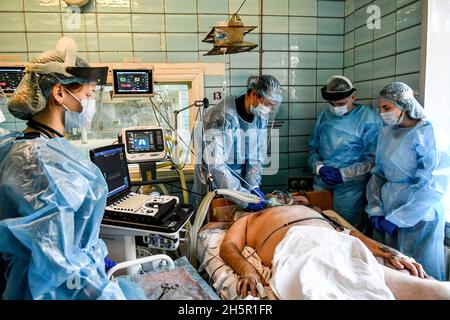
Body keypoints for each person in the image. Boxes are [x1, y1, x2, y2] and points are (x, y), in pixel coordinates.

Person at [0, 37, 125, 299]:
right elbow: (57, 262)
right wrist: (105, 293)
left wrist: (96, 259)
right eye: (87, 95)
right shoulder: (40, 163)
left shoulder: (42, 149)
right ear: (59, 93)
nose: (90, 105)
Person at [219, 204, 450, 299]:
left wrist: (387, 252)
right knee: (321, 283)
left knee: (428, 289)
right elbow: (228, 247)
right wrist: (247, 270)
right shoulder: (249, 218)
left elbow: (351, 235)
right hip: (298, 246)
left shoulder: (312, 209)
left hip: (338, 242)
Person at [366, 82, 450, 281]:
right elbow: (378, 173)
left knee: (422, 272)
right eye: (380, 108)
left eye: (387, 108)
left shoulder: (428, 133)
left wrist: (400, 217)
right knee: (394, 270)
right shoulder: (388, 131)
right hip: (388, 209)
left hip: (421, 215)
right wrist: (376, 208)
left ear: (405, 105)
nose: (382, 113)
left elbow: (433, 186)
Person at [193, 75, 284, 211]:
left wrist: (253, 186)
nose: (268, 109)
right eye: (267, 104)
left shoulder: (260, 118)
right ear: (254, 94)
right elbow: (216, 165)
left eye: (272, 106)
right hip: (216, 185)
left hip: (240, 185)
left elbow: (256, 156)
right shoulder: (222, 116)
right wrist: (242, 197)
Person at [308, 75, 383, 231]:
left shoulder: (368, 119)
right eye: (332, 104)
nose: (336, 107)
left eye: (341, 103)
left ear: (352, 97)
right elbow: (313, 148)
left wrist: (344, 174)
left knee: (347, 233)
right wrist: (319, 168)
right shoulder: (325, 116)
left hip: (351, 193)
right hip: (322, 186)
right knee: (320, 229)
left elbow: (374, 160)